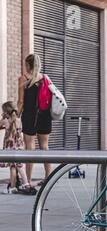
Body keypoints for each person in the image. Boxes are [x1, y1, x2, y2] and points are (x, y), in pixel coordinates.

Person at [17, 54, 52, 187]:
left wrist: (16, 115)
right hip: (44, 115)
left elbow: (20, 101)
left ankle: (29, 181)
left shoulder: (23, 79)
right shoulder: (45, 78)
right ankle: (48, 177)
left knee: (30, 147)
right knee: (44, 146)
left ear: (28, 65)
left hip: (30, 115)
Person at [0, 102, 36, 195]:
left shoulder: (6, 121)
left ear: (5, 112)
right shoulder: (19, 120)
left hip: (10, 148)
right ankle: (12, 187)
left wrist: (3, 118)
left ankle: (26, 184)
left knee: (17, 167)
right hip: (19, 146)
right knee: (14, 167)